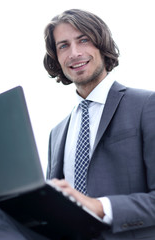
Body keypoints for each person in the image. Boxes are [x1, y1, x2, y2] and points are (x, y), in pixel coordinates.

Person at [43, 8, 155, 239]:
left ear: (101, 45)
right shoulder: (57, 134)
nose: (74, 53)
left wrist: (98, 206)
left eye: (83, 40)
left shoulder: (146, 105)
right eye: (63, 45)